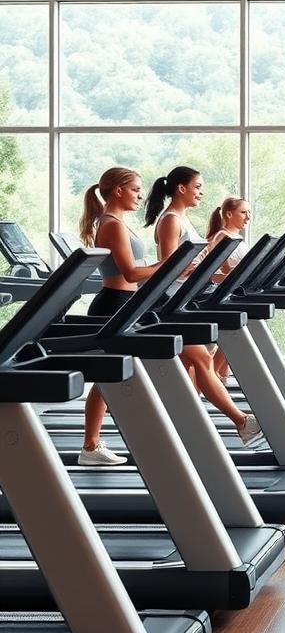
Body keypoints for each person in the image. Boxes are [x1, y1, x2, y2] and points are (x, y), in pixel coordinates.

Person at [143, 167, 263, 447]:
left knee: (192, 365)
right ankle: (242, 422)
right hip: (171, 300)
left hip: (184, 296)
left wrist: (201, 267)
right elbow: (168, 268)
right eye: (197, 186)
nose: (201, 192)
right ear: (181, 188)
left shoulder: (182, 219)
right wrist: (198, 267)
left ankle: (178, 426)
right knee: (202, 360)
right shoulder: (171, 220)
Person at [77, 167, 165, 465]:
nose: (141, 195)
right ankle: (90, 446)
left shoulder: (117, 222)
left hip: (125, 301)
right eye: (136, 189)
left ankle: (91, 446)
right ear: (118, 191)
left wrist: (164, 266)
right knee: (107, 377)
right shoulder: (111, 224)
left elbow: (138, 271)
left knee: (109, 378)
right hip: (114, 303)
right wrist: (167, 265)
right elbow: (130, 272)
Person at [204, 195, 252, 380]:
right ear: (229, 214)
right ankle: (212, 382)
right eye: (243, 212)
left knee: (231, 345)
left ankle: (220, 382)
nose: (248, 217)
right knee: (230, 341)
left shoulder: (236, 238)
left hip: (236, 295)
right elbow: (216, 272)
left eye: (249, 212)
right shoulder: (222, 237)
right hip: (223, 297)